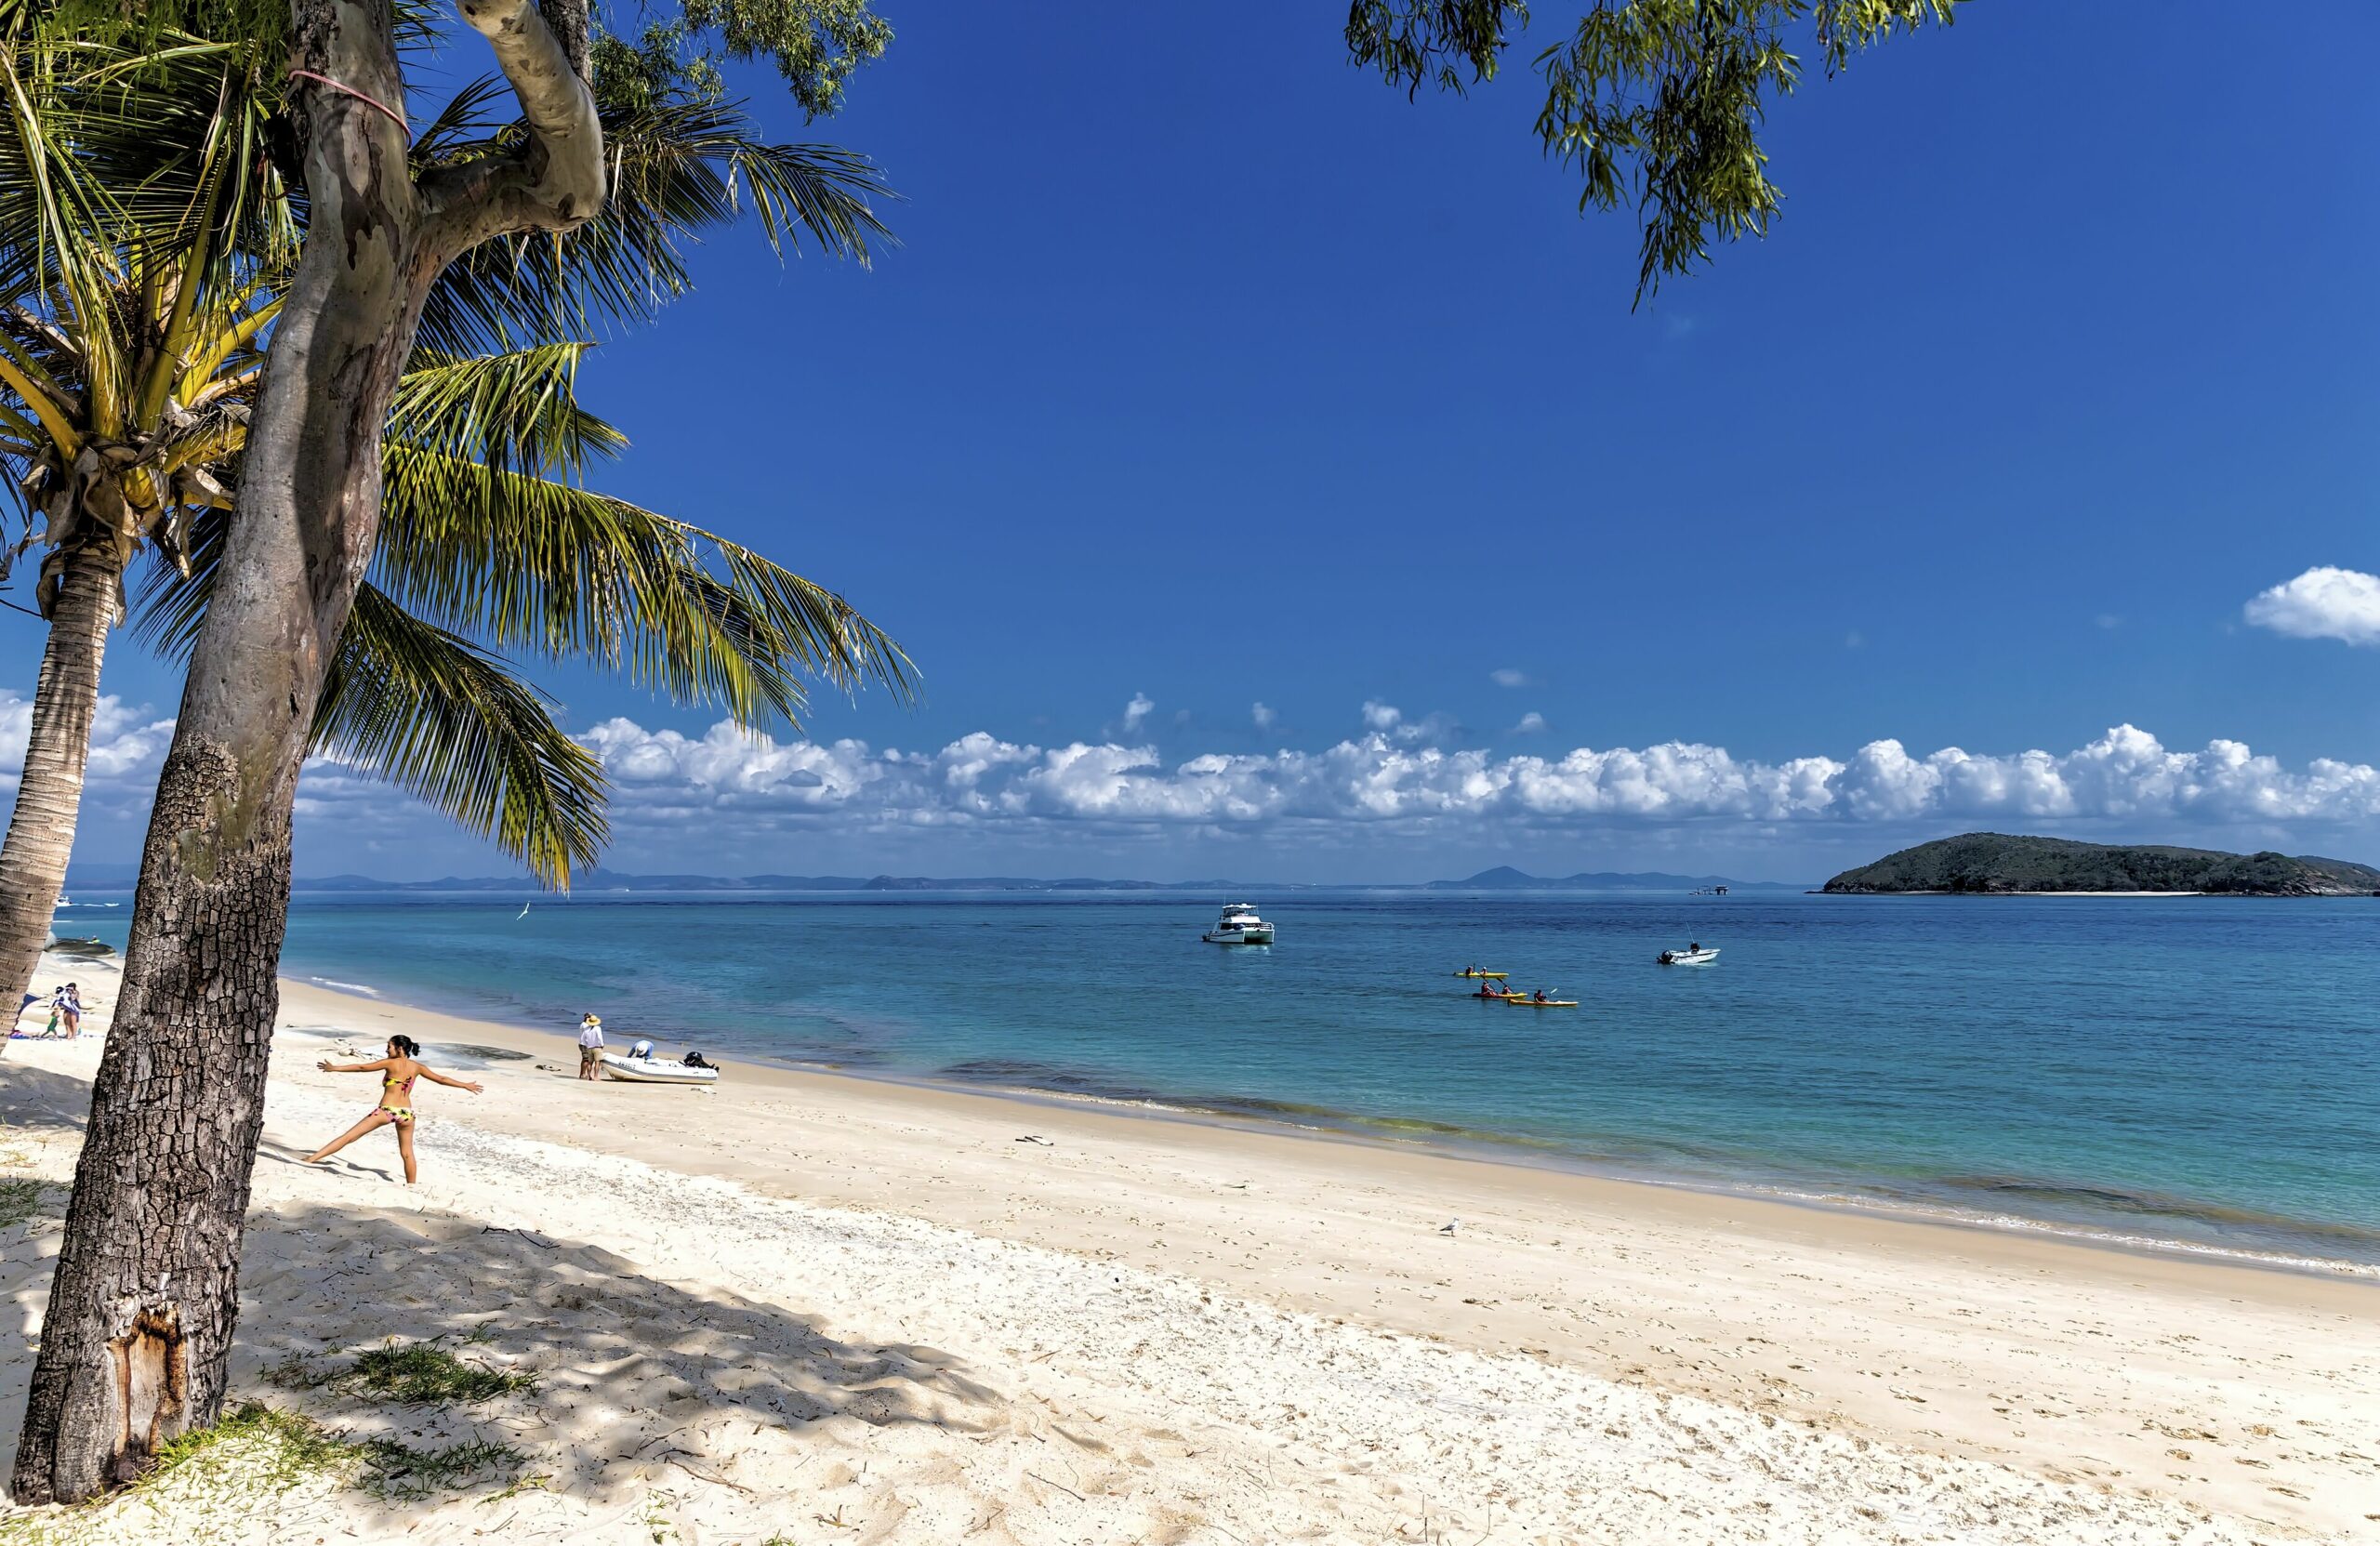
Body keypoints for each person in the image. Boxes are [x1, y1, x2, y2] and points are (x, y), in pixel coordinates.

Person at [304, 1034, 482, 1185]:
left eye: (389, 1047)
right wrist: (465, 1085)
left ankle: (311, 1159)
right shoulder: (418, 1067)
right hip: (407, 1114)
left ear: (399, 1048)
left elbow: (362, 1067)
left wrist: (335, 1068)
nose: (387, 1050)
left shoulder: (390, 1063)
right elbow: (441, 1079)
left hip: (386, 1111)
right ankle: (412, 1186)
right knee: (407, 1153)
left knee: (349, 1137)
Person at [576, 1013, 605, 1080]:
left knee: (589, 1062)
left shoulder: (586, 1028)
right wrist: (602, 1045)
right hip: (595, 1046)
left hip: (589, 1046)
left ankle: (587, 1075)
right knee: (597, 1062)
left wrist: (588, 1044)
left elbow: (583, 1038)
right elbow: (600, 1037)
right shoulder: (596, 1028)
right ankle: (595, 1076)